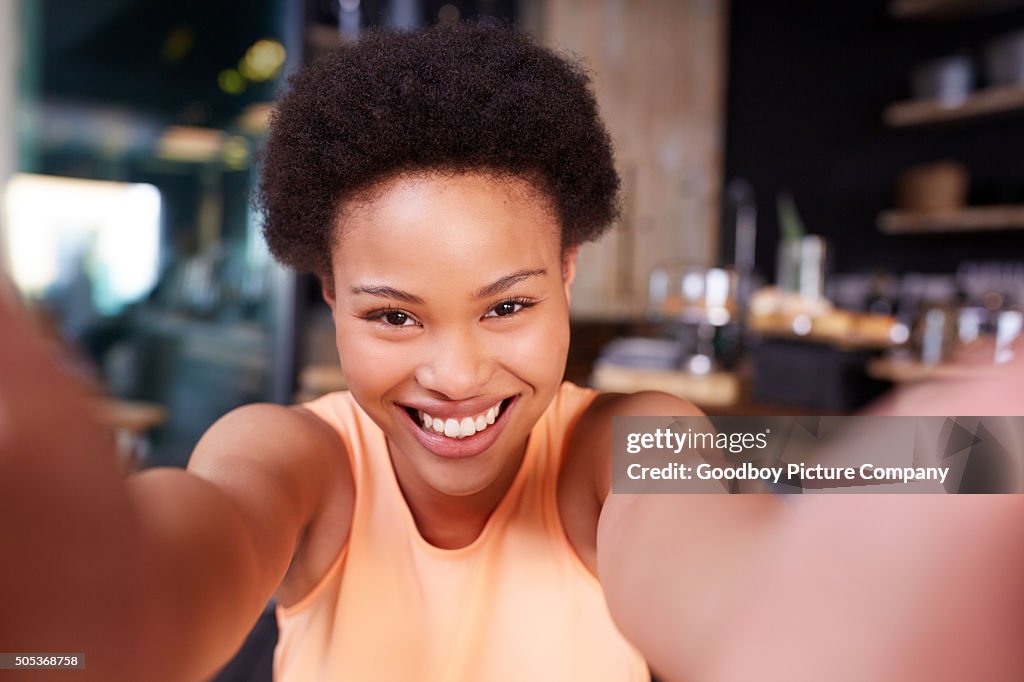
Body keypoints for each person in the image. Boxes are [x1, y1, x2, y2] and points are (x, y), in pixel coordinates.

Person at [1, 21, 1022, 682]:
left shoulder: (627, 436)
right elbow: (184, 554)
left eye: (506, 307)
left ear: (568, 272)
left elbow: (720, 558)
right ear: (329, 297)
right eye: (393, 316)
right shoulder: (297, 455)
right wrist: (75, 612)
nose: (454, 374)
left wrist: (811, 626)